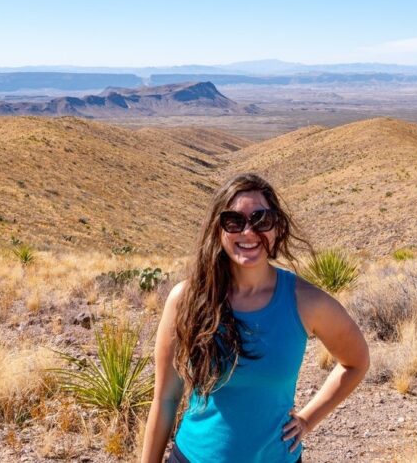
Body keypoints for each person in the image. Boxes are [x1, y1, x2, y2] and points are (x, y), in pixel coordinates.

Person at [140, 173, 369, 463]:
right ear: (218, 230)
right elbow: (165, 399)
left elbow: (356, 362)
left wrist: (308, 420)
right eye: (234, 221)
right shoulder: (187, 299)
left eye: (261, 220)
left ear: (277, 228)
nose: (248, 232)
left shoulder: (306, 301)